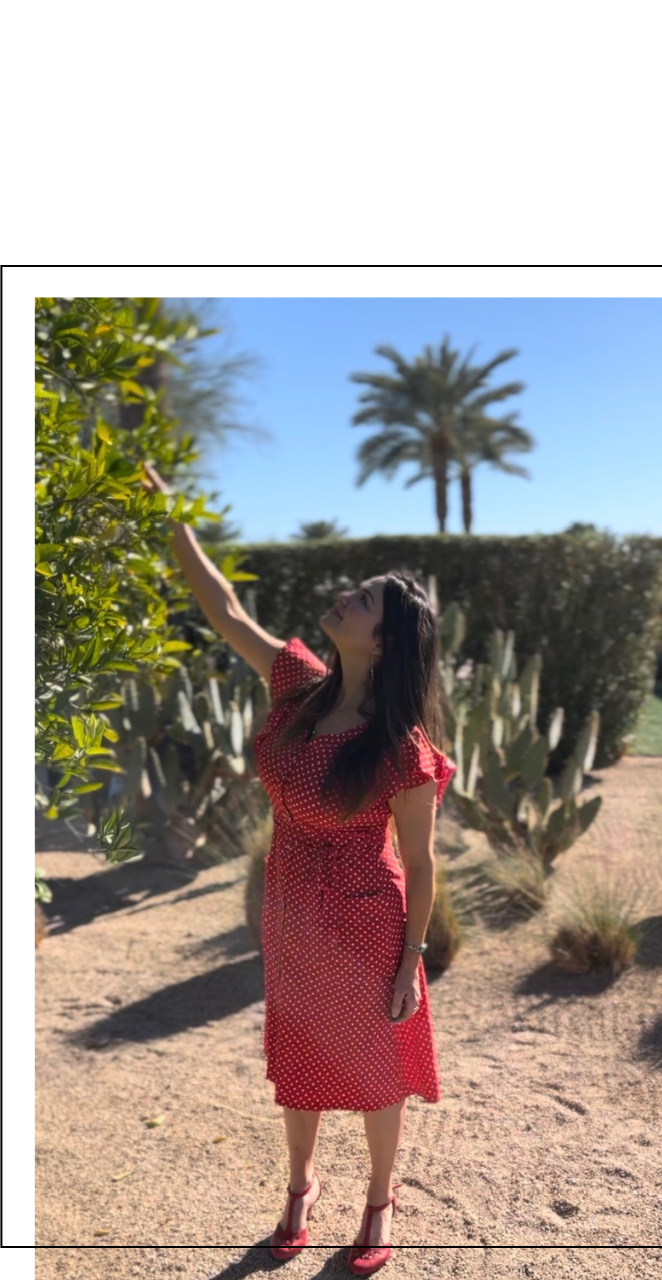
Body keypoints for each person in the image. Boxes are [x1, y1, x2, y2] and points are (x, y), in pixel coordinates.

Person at [144, 466, 456, 1274]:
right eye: (354, 591)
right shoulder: (301, 688)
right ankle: (300, 1187)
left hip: (366, 919)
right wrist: (174, 517)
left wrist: (411, 961)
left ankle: (379, 1200)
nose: (346, 598)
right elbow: (226, 610)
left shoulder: (402, 748)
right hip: (289, 912)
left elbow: (420, 864)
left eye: (364, 602)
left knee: (377, 1062)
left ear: (382, 642)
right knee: (303, 1056)